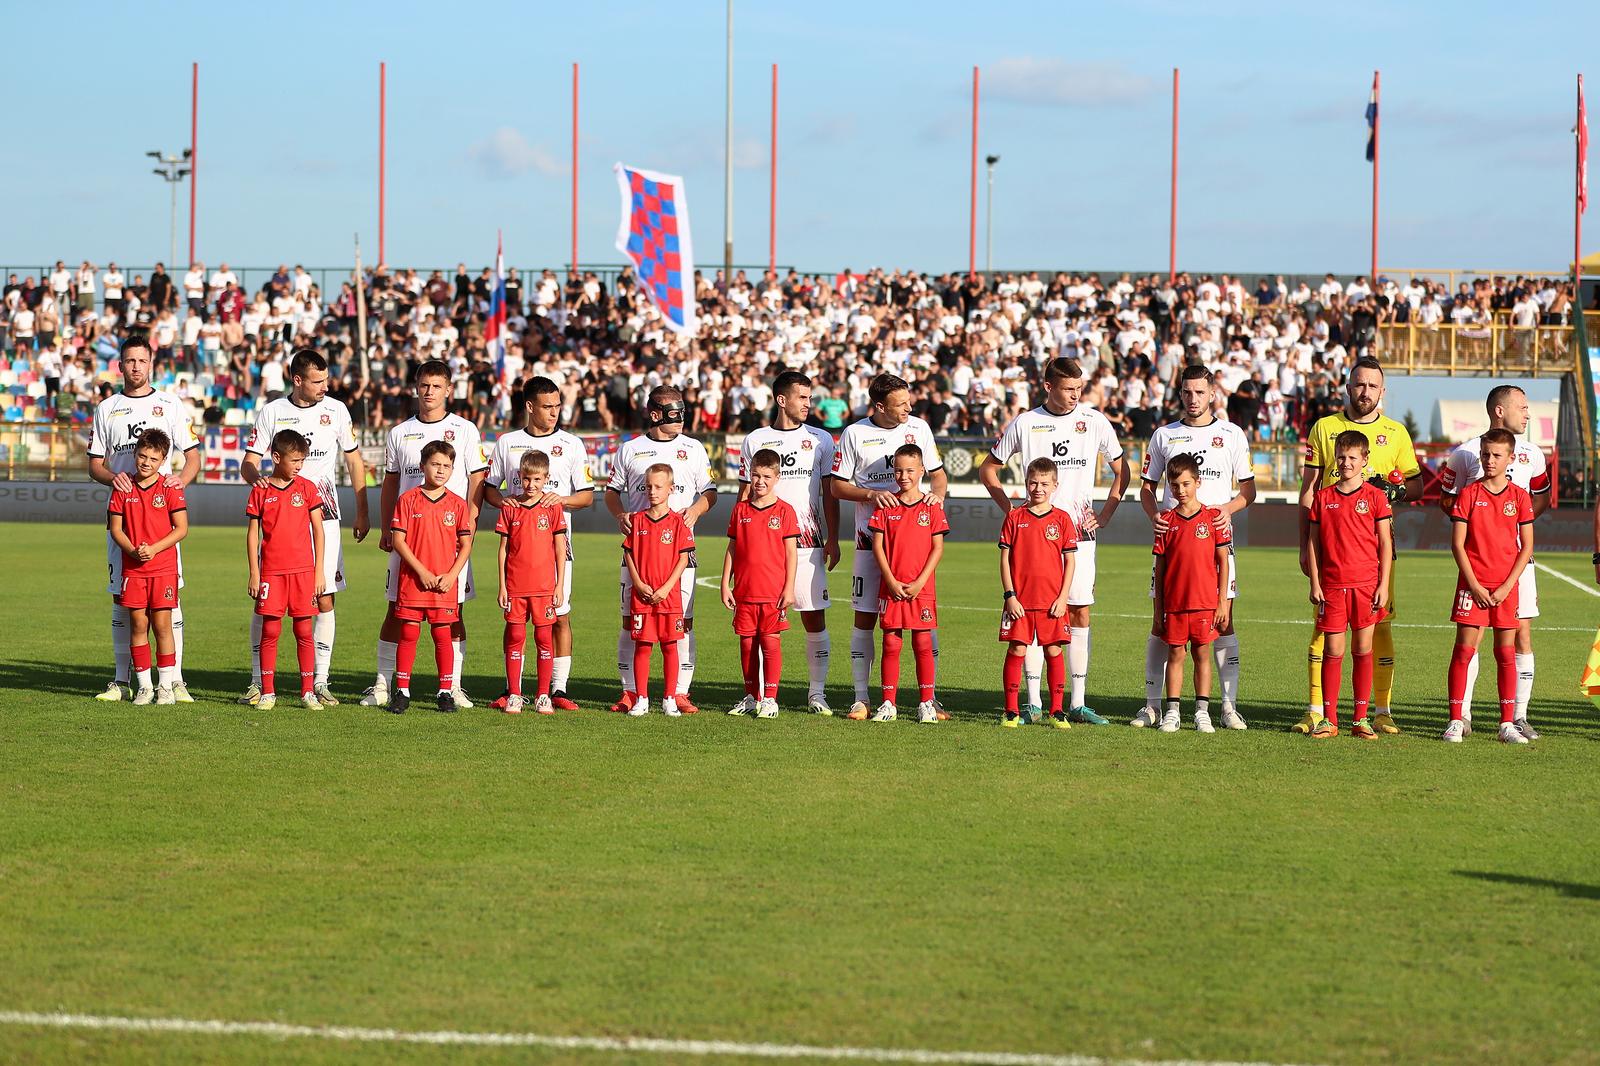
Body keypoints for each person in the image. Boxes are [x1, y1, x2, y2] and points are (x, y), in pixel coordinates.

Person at [978, 357, 1130, 725]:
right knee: (1031, 616)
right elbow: (988, 468)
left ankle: (1077, 702)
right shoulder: (1027, 423)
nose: (1075, 395)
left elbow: (1122, 468)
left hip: (1078, 536)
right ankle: (1032, 702)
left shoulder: (1094, 421)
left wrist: (1107, 513)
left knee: (1077, 610)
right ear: (1048, 387)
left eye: (1079, 388)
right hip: (1033, 543)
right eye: (1068, 389)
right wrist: (1011, 510)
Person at [1296, 357, 1421, 735]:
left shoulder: (1396, 432)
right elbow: (1308, 490)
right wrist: (1305, 546)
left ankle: (1379, 710)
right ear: (1348, 387)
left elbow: (1415, 486)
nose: (1364, 392)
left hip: (1373, 556)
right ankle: (1317, 710)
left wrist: (1393, 489)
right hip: (1331, 553)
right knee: (1324, 632)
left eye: (1372, 386)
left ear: (1382, 392)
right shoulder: (1325, 428)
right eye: (1359, 384)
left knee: (1378, 628)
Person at [239, 349, 369, 707]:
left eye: (326, 380)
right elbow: (249, 462)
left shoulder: (337, 410)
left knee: (323, 596)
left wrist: (362, 511)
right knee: (266, 603)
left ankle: (320, 681)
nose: (325, 387)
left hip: (323, 513)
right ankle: (256, 680)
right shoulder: (273, 412)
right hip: (281, 521)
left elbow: (354, 460)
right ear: (297, 380)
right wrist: (260, 484)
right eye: (317, 381)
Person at [1132, 365, 1255, 728]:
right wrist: (1155, 514)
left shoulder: (1231, 434)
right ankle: (1154, 705)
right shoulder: (1163, 436)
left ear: (1212, 393)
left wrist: (1225, 511)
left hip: (1215, 541)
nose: (1193, 399)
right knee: (1162, 626)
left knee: (1224, 622)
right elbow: (1146, 488)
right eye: (1187, 392)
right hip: (1172, 544)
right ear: (1180, 393)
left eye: (1200, 392)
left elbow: (1248, 491)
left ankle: (1227, 706)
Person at [364, 360, 488, 710]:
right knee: (397, 611)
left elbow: (477, 479)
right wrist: (387, 526)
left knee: (454, 612)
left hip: (450, 539)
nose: (430, 391)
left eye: (437, 386)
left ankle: (453, 686)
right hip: (408, 538)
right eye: (424, 385)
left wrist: (471, 521)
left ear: (449, 389)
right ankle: (384, 685)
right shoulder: (399, 433)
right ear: (416, 387)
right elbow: (390, 480)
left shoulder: (465, 429)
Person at [87, 336, 200, 702]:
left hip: (162, 526)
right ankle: (122, 682)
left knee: (169, 604)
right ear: (119, 365)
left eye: (141, 360)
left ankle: (174, 680)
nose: (135, 366)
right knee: (123, 601)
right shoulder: (107, 408)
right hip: (124, 522)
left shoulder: (170, 404)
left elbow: (193, 456)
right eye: (129, 360)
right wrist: (112, 477)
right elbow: (94, 465)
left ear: (151, 363)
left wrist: (176, 484)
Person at [829, 373, 947, 721]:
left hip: (913, 542)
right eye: (900, 404)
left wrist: (934, 500)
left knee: (925, 623)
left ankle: (930, 698)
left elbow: (938, 475)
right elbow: (836, 487)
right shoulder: (855, 433)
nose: (909, 408)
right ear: (879, 406)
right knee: (866, 617)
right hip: (872, 541)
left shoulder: (920, 429)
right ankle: (862, 698)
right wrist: (869, 494)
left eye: (908, 401)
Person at [1438, 385, 1550, 736]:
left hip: (1515, 565)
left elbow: (1540, 498)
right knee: (1471, 640)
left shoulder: (1532, 453)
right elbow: (1448, 500)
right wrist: (1475, 525)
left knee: (1521, 637)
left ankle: (1517, 717)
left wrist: (1517, 521)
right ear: (1500, 410)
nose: (1528, 413)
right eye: (1523, 407)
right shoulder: (1465, 454)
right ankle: (1463, 715)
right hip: (1477, 566)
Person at [481, 376, 594, 711]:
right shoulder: (507, 442)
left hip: (557, 548)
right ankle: (511, 687)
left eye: (558, 405)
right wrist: (506, 503)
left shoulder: (572, 444)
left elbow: (587, 496)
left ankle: (556, 689)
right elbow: (489, 488)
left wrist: (562, 500)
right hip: (519, 552)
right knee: (514, 622)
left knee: (559, 616)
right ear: (529, 407)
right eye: (548, 406)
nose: (555, 412)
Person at [605, 386, 715, 715]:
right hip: (639, 554)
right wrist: (620, 514)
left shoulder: (694, 448)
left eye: (682, 411)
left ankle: (679, 692)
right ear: (655, 415)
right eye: (673, 412)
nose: (680, 417)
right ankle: (631, 692)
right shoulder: (630, 450)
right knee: (631, 623)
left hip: (680, 553)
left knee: (684, 623)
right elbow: (611, 492)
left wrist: (696, 510)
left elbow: (710, 492)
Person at [736, 370, 840, 713]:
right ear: (782, 400)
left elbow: (829, 493)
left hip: (808, 543)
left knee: (813, 617)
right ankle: (760, 696)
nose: (809, 404)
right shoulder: (755, 439)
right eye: (803, 398)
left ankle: (817, 693)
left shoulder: (821, 439)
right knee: (761, 627)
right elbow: (743, 498)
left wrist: (834, 538)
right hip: (762, 551)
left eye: (810, 398)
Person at [1305, 431, 1394, 740]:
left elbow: (1385, 542)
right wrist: (1315, 581)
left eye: (1352, 457)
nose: (1346, 462)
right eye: (1341, 457)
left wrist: (1384, 584)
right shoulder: (1323, 497)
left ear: (1364, 460)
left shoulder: (1375, 497)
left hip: (1367, 585)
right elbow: (1313, 544)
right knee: (1333, 648)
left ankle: (1361, 718)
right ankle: (1329, 719)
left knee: (1363, 648)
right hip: (1331, 585)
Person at [388, 440, 475, 715]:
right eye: (435, 464)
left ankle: (445, 692)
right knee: (409, 633)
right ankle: (401, 691)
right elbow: (399, 540)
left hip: (443, 583)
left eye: (447, 466)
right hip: (413, 580)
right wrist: (421, 571)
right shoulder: (407, 499)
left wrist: (452, 575)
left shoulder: (458, 504)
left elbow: (466, 544)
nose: (441, 470)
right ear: (422, 466)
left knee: (442, 635)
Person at [245, 430, 327, 710]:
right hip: (271, 573)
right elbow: (253, 534)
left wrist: (319, 572)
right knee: (270, 631)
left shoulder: (306, 488)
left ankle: (307, 692)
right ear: (276, 457)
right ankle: (268, 692)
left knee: (304, 630)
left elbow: (318, 529)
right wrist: (254, 573)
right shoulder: (261, 489)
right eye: (295, 460)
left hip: (303, 572)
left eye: (302, 460)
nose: (299, 466)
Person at [106, 428, 188, 706]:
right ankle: (144, 687)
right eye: (142, 456)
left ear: (163, 460)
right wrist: (132, 550)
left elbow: (182, 528)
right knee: (138, 625)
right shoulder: (123, 488)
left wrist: (153, 549)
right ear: (135, 454)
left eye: (153, 459)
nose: (146, 463)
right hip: (134, 569)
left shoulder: (169, 488)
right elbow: (116, 529)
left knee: (163, 625)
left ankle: (165, 685)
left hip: (163, 567)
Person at [867, 444, 948, 724]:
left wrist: (920, 581)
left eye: (910, 470)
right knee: (891, 642)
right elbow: (877, 546)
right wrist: (890, 580)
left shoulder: (931, 507)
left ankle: (926, 702)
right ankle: (888, 702)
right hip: (891, 587)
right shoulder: (886, 505)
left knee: (923, 641)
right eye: (898, 470)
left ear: (922, 471)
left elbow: (937, 548)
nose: (903, 475)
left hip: (921, 588)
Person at [1150, 454, 1232, 733]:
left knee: (1202, 655)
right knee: (1175, 655)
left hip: (1204, 604)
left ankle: (1202, 712)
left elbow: (1223, 562)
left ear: (1198, 482)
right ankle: (1172, 712)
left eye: (1186, 484)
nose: (1181, 491)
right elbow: (1159, 571)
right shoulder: (1166, 522)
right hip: (1174, 604)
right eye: (1174, 485)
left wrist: (1222, 602)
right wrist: (1157, 610)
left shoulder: (1211, 518)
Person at [998, 457, 1078, 729]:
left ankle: (1057, 711)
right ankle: (1010, 711)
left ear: (1055, 485)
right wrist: (1010, 595)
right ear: (1026, 483)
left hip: (1051, 602)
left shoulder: (1062, 519)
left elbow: (1070, 562)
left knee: (1053, 650)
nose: (1038, 488)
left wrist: (1063, 597)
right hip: (1019, 601)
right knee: (1017, 647)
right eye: (1033, 482)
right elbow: (1005, 559)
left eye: (1044, 483)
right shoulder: (1014, 517)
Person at [722, 448, 799, 718]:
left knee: (770, 643)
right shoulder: (740, 510)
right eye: (755, 475)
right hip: (744, 591)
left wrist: (789, 588)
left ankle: (771, 698)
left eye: (766, 476)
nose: (760, 481)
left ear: (777, 477)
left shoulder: (785, 511)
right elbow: (732, 547)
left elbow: (791, 552)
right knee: (746, 645)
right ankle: (751, 696)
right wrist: (724, 583)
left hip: (772, 593)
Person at [495, 450, 568, 716]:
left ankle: (543, 695)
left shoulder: (552, 507)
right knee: (515, 636)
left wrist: (559, 586)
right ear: (519, 477)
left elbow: (560, 548)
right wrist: (502, 585)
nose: (531, 485)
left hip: (544, 587)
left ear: (546, 478)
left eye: (537, 479)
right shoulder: (510, 507)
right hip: (515, 585)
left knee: (543, 638)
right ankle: (514, 694)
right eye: (526, 479)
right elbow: (503, 549)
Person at [621, 464, 695, 717]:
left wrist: (666, 587)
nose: (652, 491)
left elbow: (684, 559)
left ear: (671, 489)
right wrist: (639, 583)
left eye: (658, 487)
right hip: (641, 596)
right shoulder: (637, 520)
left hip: (669, 597)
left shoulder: (677, 522)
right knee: (643, 646)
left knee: (669, 646)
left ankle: (669, 699)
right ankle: (641, 698)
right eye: (648, 486)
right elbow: (628, 553)